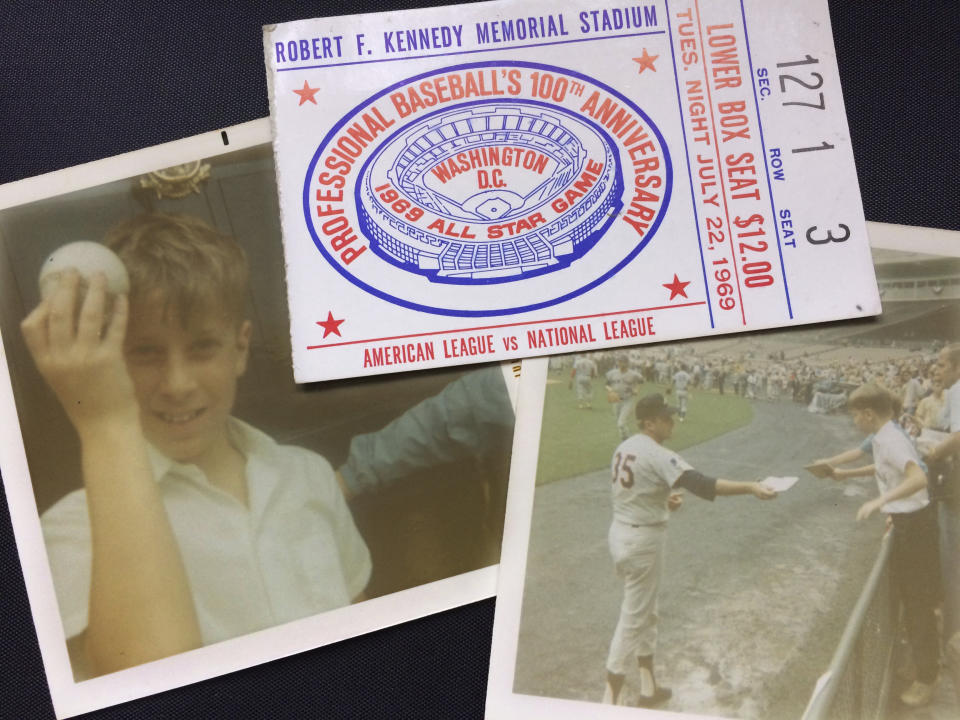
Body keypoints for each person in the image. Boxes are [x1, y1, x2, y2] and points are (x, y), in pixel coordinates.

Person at [23, 214, 371, 679]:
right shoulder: (71, 531)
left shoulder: (308, 474)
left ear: (241, 348)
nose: (178, 383)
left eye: (203, 347)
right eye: (145, 352)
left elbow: (359, 611)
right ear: (110, 358)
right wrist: (105, 418)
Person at [602, 393, 776, 707]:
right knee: (633, 616)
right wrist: (751, 486)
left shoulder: (625, 446)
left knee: (645, 610)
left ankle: (648, 687)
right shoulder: (657, 453)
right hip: (643, 543)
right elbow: (702, 484)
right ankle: (608, 699)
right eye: (665, 417)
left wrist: (661, 500)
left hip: (621, 533)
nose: (672, 421)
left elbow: (628, 489)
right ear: (649, 422)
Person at [814, 383, 940, 707]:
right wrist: (845, 474)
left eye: (855, 415)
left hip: (915, 527)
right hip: (906, 524)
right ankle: (921, 663)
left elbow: (917, 478)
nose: (854, 421)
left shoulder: (892, 438)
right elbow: (886, 467)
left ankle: (927, 677)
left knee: (918, 603)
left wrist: (879, 502)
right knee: (911, 601)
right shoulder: (885, 436)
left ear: (868, 414)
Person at [924, 344, 960, 707]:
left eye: (942, 364)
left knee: (953, 570)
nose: (938, 369)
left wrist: (931, 450)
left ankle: (952, 640)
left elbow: (958, 438)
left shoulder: (958, 390)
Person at [605, 354, 645, 440]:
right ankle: (625, 439)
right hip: (616, 400)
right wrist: (610, 390)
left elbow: (641, 381)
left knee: (621, 423)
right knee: (619, 423)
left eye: (622, 362)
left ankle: (628, 439)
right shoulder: (612, 373)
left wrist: (637, 389)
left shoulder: (633, 374)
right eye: (619, 361)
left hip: (628, 400)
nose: (620, 363)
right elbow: (607, 384)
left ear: (627, 363)